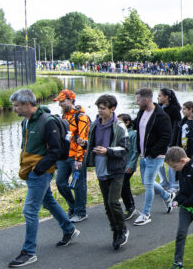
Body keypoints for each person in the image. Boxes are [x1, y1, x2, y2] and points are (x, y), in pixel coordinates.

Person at [9, 89, 78, 267]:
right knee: (47, 201)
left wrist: (38, 169)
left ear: (27, 104)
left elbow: (55, 150)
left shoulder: (46, 122)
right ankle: (69, 229)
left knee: (30, 210)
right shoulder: (26, 122)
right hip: (32, 170)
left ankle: (29, 251)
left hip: (40, 172)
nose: (14, 109)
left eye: (17, 106)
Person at [84, 94, 130, 250]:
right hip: (100, 167)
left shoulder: (119, 126)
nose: (100, 111)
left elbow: (124, 149)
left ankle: (122, 229)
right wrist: (85, 145)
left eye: (103, 108)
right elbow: (93, 144)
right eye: (99, 108)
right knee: (106, 204)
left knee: (113, 201)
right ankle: (115, 231)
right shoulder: (94, 125)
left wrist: (107, 151)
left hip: (116, 169)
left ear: (113, 109)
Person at [133, 88, 175, 226]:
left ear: (146, 100)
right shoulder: (142, 112)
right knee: (146, 183)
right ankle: (167, 196)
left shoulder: (161, 116)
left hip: (155, 156)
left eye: (138, 100)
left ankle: (146, 214)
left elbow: (166, 137)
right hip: (144, 155)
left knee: (148, 184)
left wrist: (153, 152)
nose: (136, 102)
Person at [52, 89, 91, 223]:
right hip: (64, 156)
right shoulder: (63, 117)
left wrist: (79, 159)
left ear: (71, 100)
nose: (60, 104)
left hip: (77, 157)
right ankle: (73, 206)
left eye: (62, 101)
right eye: (59, 101)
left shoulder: (81, 117)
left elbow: (83, 138)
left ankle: (81, 212)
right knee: (60, 182)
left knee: (79, 184)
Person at [157, 88, 182, 193]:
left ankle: (174, 184)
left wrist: (173, 140)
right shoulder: (159, 107)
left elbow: (177, 126)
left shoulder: (174, 109)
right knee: (159, 161)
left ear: (166, 97)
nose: (158, 98)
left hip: (170, 139)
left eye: (160, 96)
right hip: (160, 138)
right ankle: (164, 182)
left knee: (171, 161)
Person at [117, 114, 139, 220]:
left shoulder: (132, 135)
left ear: (127, 122)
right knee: (123, 186)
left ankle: (130, 207)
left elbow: (135, 151)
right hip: (121, 165)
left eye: (120, 122)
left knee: (124, 185)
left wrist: (131, 165)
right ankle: (130, 206)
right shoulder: (120, 133)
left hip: (128, 165)